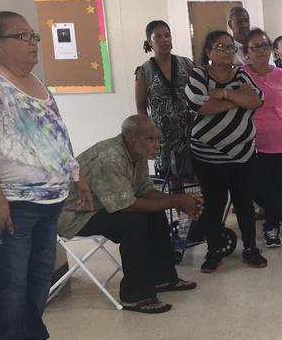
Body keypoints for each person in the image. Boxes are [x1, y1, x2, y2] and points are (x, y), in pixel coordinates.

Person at [0, 11, 92, 340]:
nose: (33, 42)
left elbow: (55, 134)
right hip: (9, 201)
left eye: (33, 35)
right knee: (7, 281)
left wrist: (76, 173)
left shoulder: (34, 81)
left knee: (37, 279)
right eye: (22, 36)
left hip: (46, 198)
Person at [57, 115, 203, 313]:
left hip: (101, 206)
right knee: (133, 222)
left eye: (157, 138)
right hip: (74, 214)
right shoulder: (110, 157)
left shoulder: (137, 153)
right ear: (131, 138)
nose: (157, 145)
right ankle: (136, 296)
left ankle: (163, 278)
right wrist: (177, 201)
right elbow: (127, 205)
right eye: (150, 139)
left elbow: (144, 191)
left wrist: (179, 201)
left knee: (155, 212)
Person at [185, 30, 266, 273]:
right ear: (209, 52)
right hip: (207, 155)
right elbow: (201, 105)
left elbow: (257, 100)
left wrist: (225, 93)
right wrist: (238, 99)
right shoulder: (198, 75)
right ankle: (213, 252)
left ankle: (250, 248)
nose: (228, 51)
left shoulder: (242, 74)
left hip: (243, 153)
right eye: (221, 47)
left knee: (243, 202)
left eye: (231, 47)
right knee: (214, 203)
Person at [244, 28, 282, 247]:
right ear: (246, 52)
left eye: (264, 45)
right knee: (260, 189)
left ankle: (271, 229)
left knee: (277, 189)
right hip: (253, 144)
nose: (261, 50)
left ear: (271, 50)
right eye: (255, 46)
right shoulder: (240, 74)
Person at [134, 20, 196, 179]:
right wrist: (149, 137)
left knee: (195, 177)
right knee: (172, 181)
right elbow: (141, 108)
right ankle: (178, 205)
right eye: (159, 36)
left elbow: (199, 91)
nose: (165, 40)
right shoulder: (143, 72)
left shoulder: (186, 64)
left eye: (167, 35)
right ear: (150, 41)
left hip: (189, 131)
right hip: (162, 135)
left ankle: (198, 204)